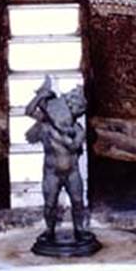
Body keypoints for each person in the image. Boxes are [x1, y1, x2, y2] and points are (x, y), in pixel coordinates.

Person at [25, 75, 91, 244]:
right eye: (75, 108)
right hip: (51, 173)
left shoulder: (78, 130)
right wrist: (41, 96)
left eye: (79, 110)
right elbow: (29, 111)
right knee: (50, 204)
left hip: (72, 172)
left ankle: (79, 229)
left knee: (78, 202)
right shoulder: (46, 124)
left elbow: (74, 146)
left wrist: (61, 131)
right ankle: (49, 230)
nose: (77, 112)